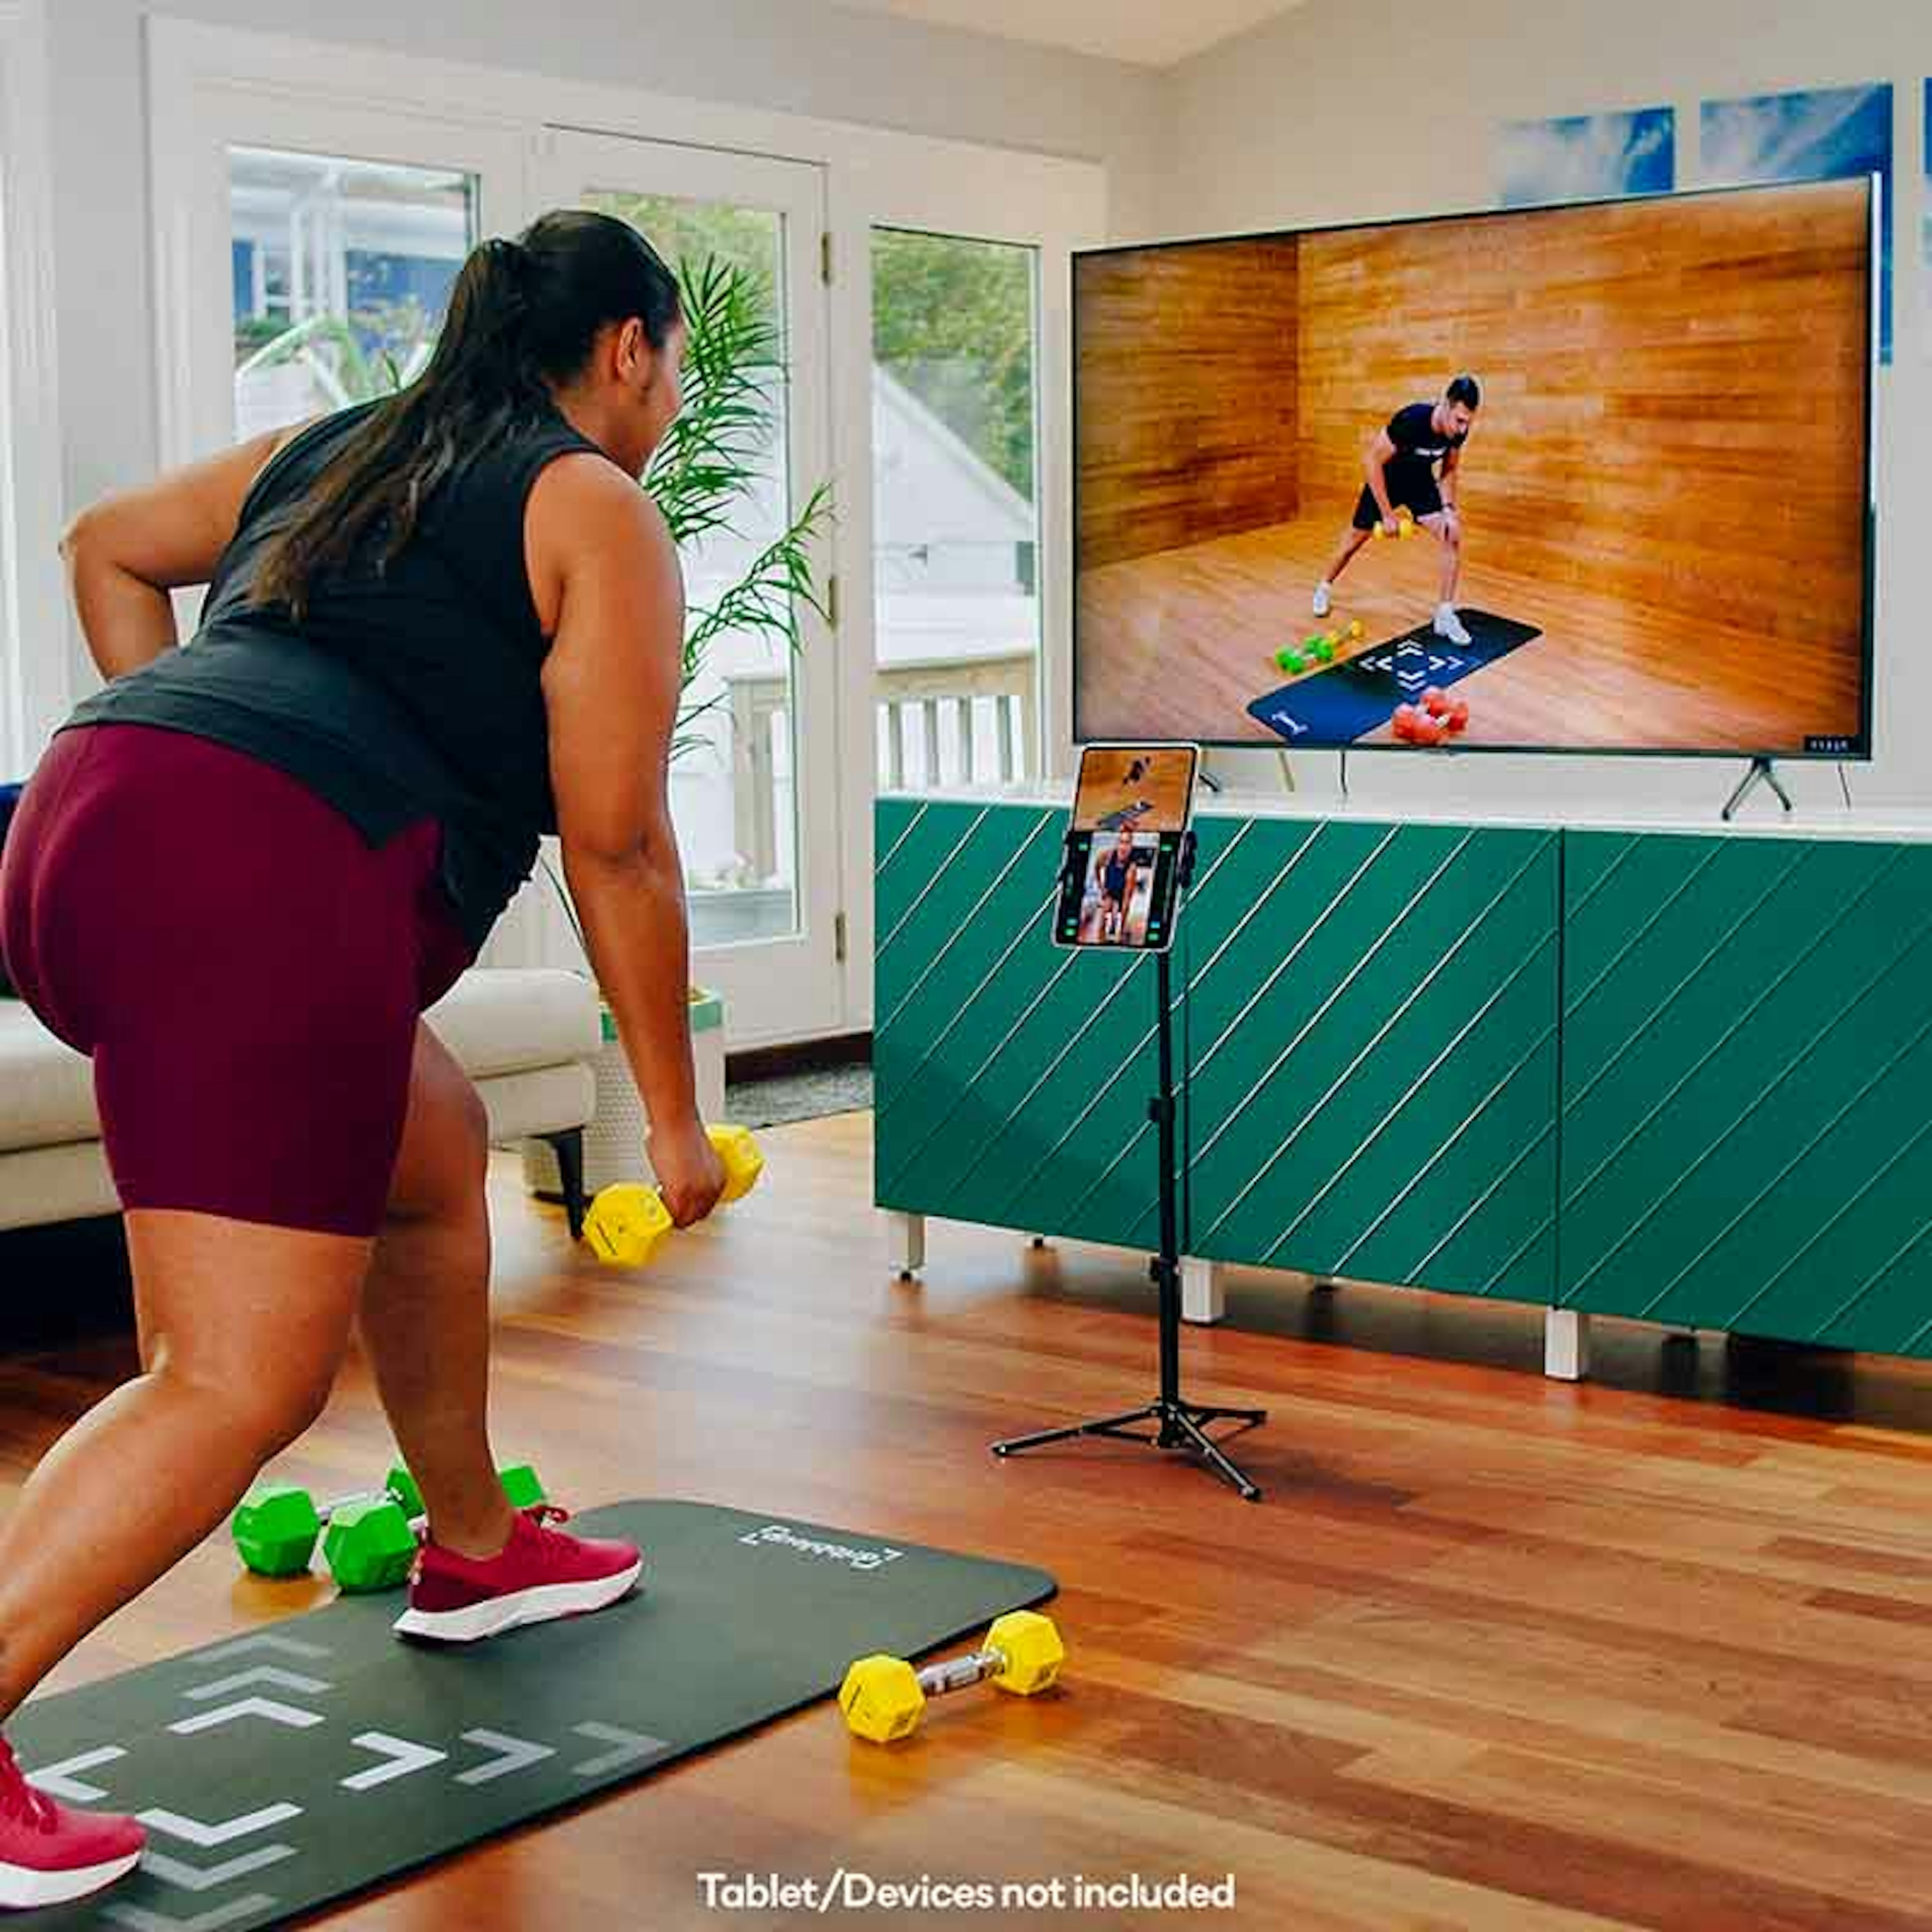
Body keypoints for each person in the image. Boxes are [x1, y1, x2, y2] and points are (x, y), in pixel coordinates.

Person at [0, 210, 725, 1908]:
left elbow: (105, 545)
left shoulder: (339, 445)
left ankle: (474, 1548)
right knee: (230, 1381)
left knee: (432, 1142)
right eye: (674, 364)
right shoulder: (592, 506)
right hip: (243, 879)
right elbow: (616, 844)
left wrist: (195, 753)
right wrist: (679, 1125)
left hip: (74, 815)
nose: (675, 401)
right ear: (624, 348)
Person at [1311, 374, 1480, 647]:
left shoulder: (1458, 432)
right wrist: (1387, 514)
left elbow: (1450, 469)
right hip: (1385, 482)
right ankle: (1324, 587)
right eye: (1459, 420)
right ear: (1446, 405)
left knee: (1452, 535)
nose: (1462, 429)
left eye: (1468, 422)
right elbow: (1372, 462)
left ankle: (1445, 614)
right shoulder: (1411, 420)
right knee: (1352, 542)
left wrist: (1448, 508)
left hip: (1419, 483)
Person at [1095, 829, 1144, 942]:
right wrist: (1101, 887)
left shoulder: (1132, 870)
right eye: (1122, 842)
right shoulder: (1107, 856)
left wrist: (1122, 927)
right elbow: (1096, 867)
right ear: (1117, 844)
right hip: (1110, 891)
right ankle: (1100, 942)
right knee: (1103, 918)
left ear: (1131, 847)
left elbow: (1127, 900)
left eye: (1127, 844)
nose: (1124, 847)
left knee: (1122, 925)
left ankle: (1123, 933)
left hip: (1123, 894)